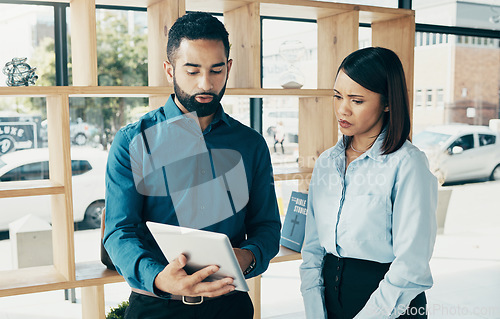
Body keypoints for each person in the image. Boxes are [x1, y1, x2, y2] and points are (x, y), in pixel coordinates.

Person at [103, 12, 281, 319]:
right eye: (192, 70)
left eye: (216, 70)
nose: (206, 83)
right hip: (156, 307)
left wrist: (249, 257)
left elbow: (266, 226)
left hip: (230, 306)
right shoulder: (133, 141)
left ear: (229, 68)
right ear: (169, 70)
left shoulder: (251, 144)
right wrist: (160, 278)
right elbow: (119, 231)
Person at [300, 47, 437, 319]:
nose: (342, 109)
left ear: (387, 102)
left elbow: (411, 264)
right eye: (337, 96)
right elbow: (313, 249)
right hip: (329, 297)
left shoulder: (408, 164)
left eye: (357, 100)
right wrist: (316, 310)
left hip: (390, 303)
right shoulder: (327, 162)